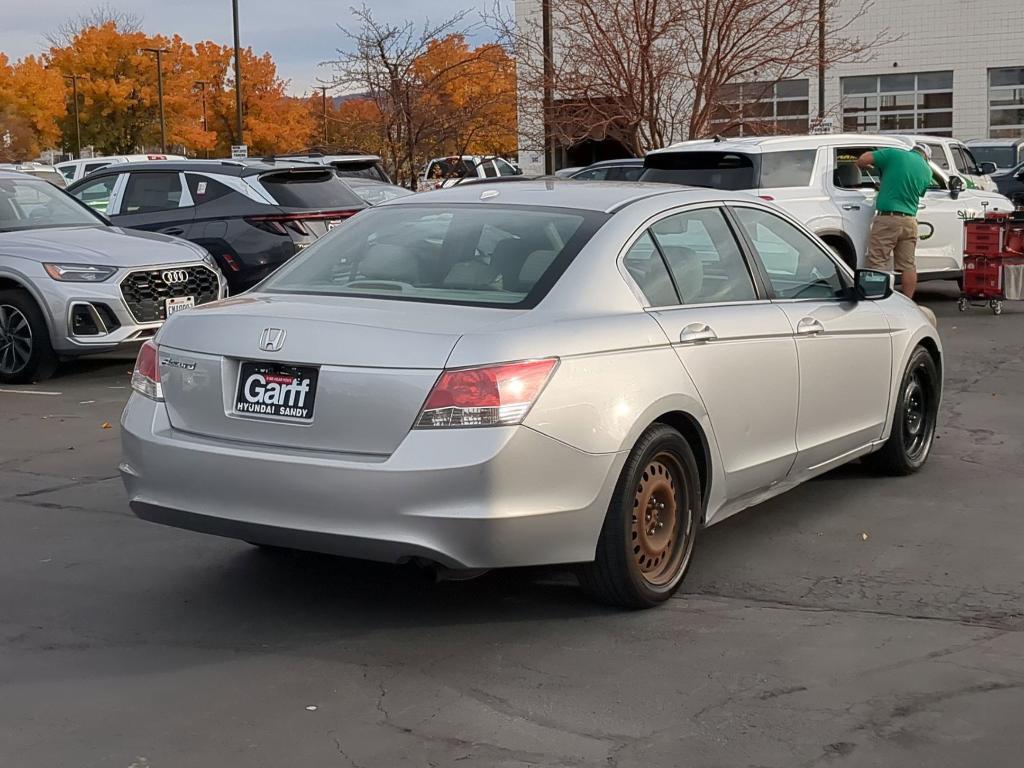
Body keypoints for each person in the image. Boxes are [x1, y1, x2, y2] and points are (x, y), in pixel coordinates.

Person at [856, 143, 934, 299]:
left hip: (888, 219)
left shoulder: (895, 154)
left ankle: (878, 300)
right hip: (910, 221)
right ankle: (908, 302)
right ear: (926, 157)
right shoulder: (927, 171)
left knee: (878, 260)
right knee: (908, 265)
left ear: (913, 149)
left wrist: (867, 167)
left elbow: (863, 159)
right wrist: (886, 186)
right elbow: (910, 189)